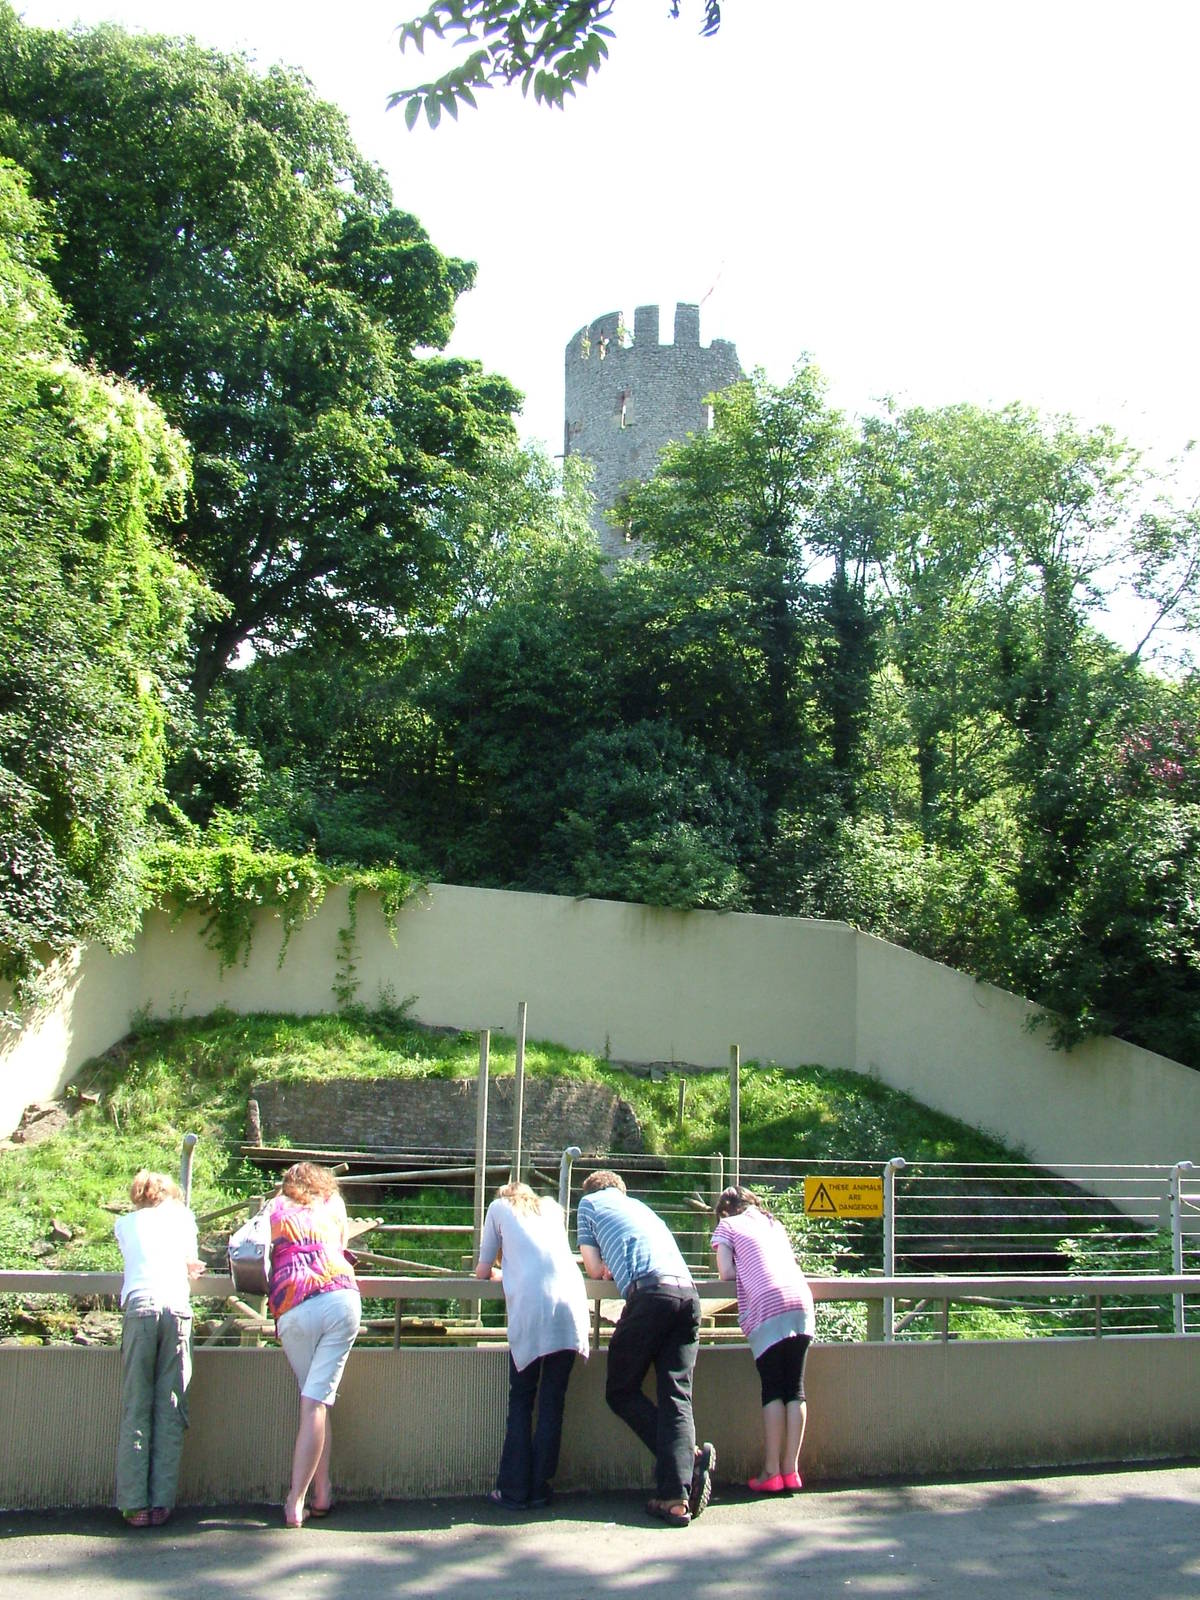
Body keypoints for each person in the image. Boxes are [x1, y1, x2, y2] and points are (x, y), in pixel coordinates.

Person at [575, 1169, 715, 1528]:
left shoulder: (588, 1203)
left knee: (620, 1391)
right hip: (687, 1294)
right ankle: (676, 1495)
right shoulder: (639, 1207)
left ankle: (684, 1467)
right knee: (676, 1395)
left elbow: (593, 1269)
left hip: (650, 1294)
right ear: (622, 1190)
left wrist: (606, 1266)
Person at [474, 1180, 590, 1510]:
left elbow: (483, 1270)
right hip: (570, 1308)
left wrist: (500, 1271)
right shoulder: (552, 1208)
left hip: (532, 1311)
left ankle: (513, 1490)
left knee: (522, 1399)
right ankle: (540, 1488)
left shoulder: (498, 1208)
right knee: (553, 1401)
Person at [268, 1161, 362, 1527]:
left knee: (314, 1401)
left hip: (292, 1305)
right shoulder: (333, 1202)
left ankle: (299, 1500)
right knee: (317, 1402)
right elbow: (341, 1244)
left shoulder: (276, 1207)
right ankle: (317, 1493)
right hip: (339, 1298)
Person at [114, 1168, 203, 1528]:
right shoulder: (183, 1219)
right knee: (170, 1404)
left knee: (138, 1404)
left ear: (138, 1195)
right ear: (169, 1194)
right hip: (176, 1307)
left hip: (139, 1306)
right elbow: (191, 1265)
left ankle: (134, 1504)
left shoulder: (124, 1224)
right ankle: (161, 1502)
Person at [711, 1185, 815, 1493]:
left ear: (725, 1210)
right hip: (800, 1300)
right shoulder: (773, 1222)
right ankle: (791, 1471)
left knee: (772, 1389)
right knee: (795, 1388)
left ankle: (771, 1471)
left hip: (768, 1303)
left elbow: (726, 1273)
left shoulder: (727, 1226)